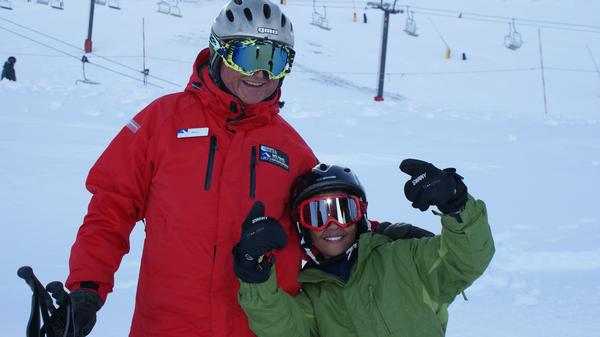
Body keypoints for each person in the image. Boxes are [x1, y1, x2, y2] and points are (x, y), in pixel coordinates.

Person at [62, 0, 319, 336]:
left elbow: (332, 225)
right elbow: (112, 206)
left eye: (275, 60)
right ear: (218, 52)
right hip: (168, 324)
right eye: (250, 56)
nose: (261, 74)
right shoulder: (162, 121)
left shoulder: (292, 149)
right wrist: (86, 290)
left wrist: (395, 237)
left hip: (255, 328)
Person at [234, 160, 495, 337]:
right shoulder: (312, 299)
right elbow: (280, 327)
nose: (332, 225)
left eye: (343, 210)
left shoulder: (406, 259)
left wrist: (456, 204)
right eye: (316, 215)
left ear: (360, 215)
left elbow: (467, 258)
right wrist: (253, 273)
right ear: (303, 227)